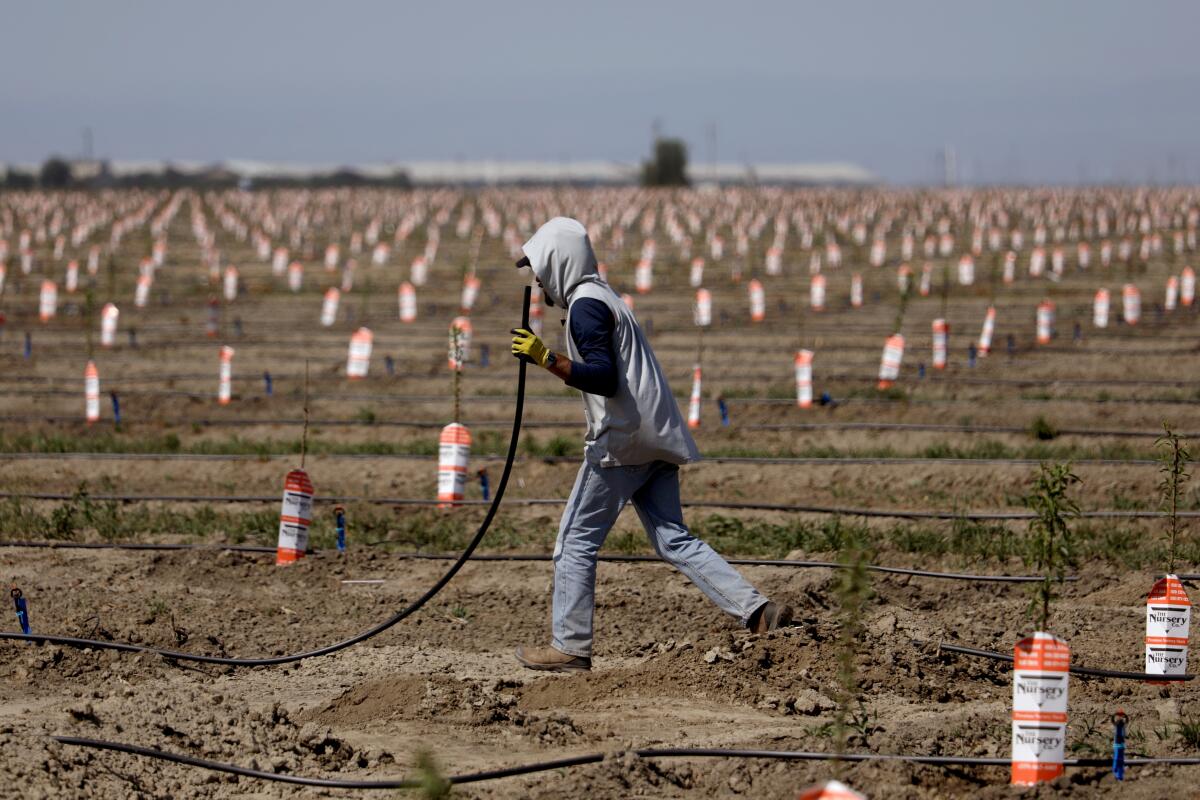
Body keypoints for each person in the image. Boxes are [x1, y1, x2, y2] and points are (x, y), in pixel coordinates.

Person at [510, 217, 792, 673]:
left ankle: (570, 647)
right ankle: (759, 612)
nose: (537, 280)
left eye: (539, 268)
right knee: (673, 538)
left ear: (558, 261)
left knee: (574, 542)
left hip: (623, 442)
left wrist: (546, 358)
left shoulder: (585, 307)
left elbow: (603, 377)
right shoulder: (605, 298)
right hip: (657, 435)